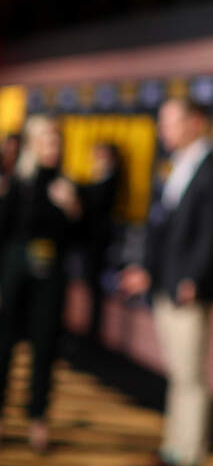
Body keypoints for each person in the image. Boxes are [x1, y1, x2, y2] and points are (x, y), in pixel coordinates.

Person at [119, 98, 213, 466]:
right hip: (167, 285)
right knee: (178, 374)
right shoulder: (179, 165)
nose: (163, 130)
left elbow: (212, 233)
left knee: (190, 377)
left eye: (171, 122)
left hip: (187, 292)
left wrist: (193, 280)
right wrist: (149, 272)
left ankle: (189, 457)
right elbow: (167, 231)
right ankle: (174, 450)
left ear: (196, 122)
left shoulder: (212, 170)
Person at [0, 116, 82, 453]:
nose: (53, 148)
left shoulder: (66, 185)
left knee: (45, 347)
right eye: (47, 141)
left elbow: (81, 239)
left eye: (57, 142)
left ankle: (38, 418)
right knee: (3, 346)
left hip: (50, 277)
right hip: (14, 274)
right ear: (34, 145)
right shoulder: (18, 183)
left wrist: (72, 208)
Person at [81, 142, 122, 340]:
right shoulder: (98, 179)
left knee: (96, 291)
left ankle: (94, 334)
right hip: (89, 242)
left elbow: (96, 201)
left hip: (100, 244)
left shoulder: (110, 180)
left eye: (102, 156)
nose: (98, 160)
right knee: (90, 287)